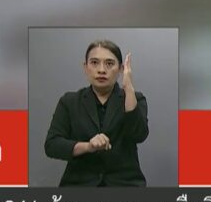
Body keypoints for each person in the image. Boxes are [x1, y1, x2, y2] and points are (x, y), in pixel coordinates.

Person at [44, 40, 149, 186]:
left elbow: (139, 135)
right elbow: (52, 145)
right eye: (94, 63)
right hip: (79, 185)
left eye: (109, 64)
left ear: (120, 69)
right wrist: (88, 147)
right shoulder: (70, 101)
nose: (101, 70)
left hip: (124, 185)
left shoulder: (135, 99)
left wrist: (128, 87)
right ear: (85, 67)